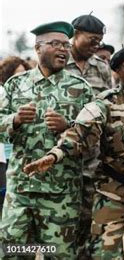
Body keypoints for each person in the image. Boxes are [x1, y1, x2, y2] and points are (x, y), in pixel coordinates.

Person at [24, 45, 124, 259]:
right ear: (116, 72)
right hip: (111, 194)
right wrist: (54, 155)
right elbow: (79, 132)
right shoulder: (103, 104)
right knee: (104, 255)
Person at [0, 21, 94, 258]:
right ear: (38, 48)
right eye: (55, 44)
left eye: (66, 44)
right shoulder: (15, 85)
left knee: (58, 254)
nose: (63, 49)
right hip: (20, 191)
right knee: (14, 252)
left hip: (60, 194)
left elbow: (94, 138)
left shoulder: (80, 89)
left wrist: (68, 126)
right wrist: (15, 120)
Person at [67, 13, 113, 258]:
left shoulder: (102, 68)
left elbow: (109, 107)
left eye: (100, 40)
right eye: (92, 39)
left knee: (88, 220)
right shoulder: (58, 63)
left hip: (92, 160)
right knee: (61, 222)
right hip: (61, 159)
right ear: (75, 35)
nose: (97, 45)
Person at [0, 56, 32, 218]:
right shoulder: (3, 93)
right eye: (16, 74)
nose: (21, 78)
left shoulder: (29, 95)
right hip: (3, 154)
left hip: (17, 154)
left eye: (24, 73)